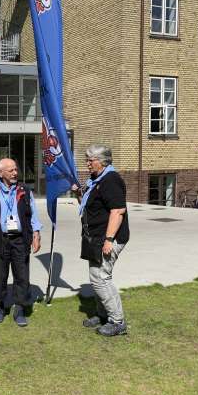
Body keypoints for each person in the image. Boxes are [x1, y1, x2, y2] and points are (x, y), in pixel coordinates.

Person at [73, 144, 129, 337]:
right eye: (87, 160)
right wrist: (78, 194)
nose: (87, 164)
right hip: (94, 238)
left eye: (90, 160)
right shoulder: (95, 180)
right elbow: (90, 207)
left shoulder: (111, 180)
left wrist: (109, 239)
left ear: (102, 161)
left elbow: (118, 211)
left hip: (108, 238)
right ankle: (103, 314)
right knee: (96, 277)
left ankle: (117, 321)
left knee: (101, 278)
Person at [0, 158, 42, 327]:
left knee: (22, 274)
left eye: (16, 169)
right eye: (11, 170)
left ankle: (20, 308)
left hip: (20, 240)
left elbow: (33, 214)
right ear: (1, 173)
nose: (15, 173)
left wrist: (36, 234)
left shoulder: (24, 190)